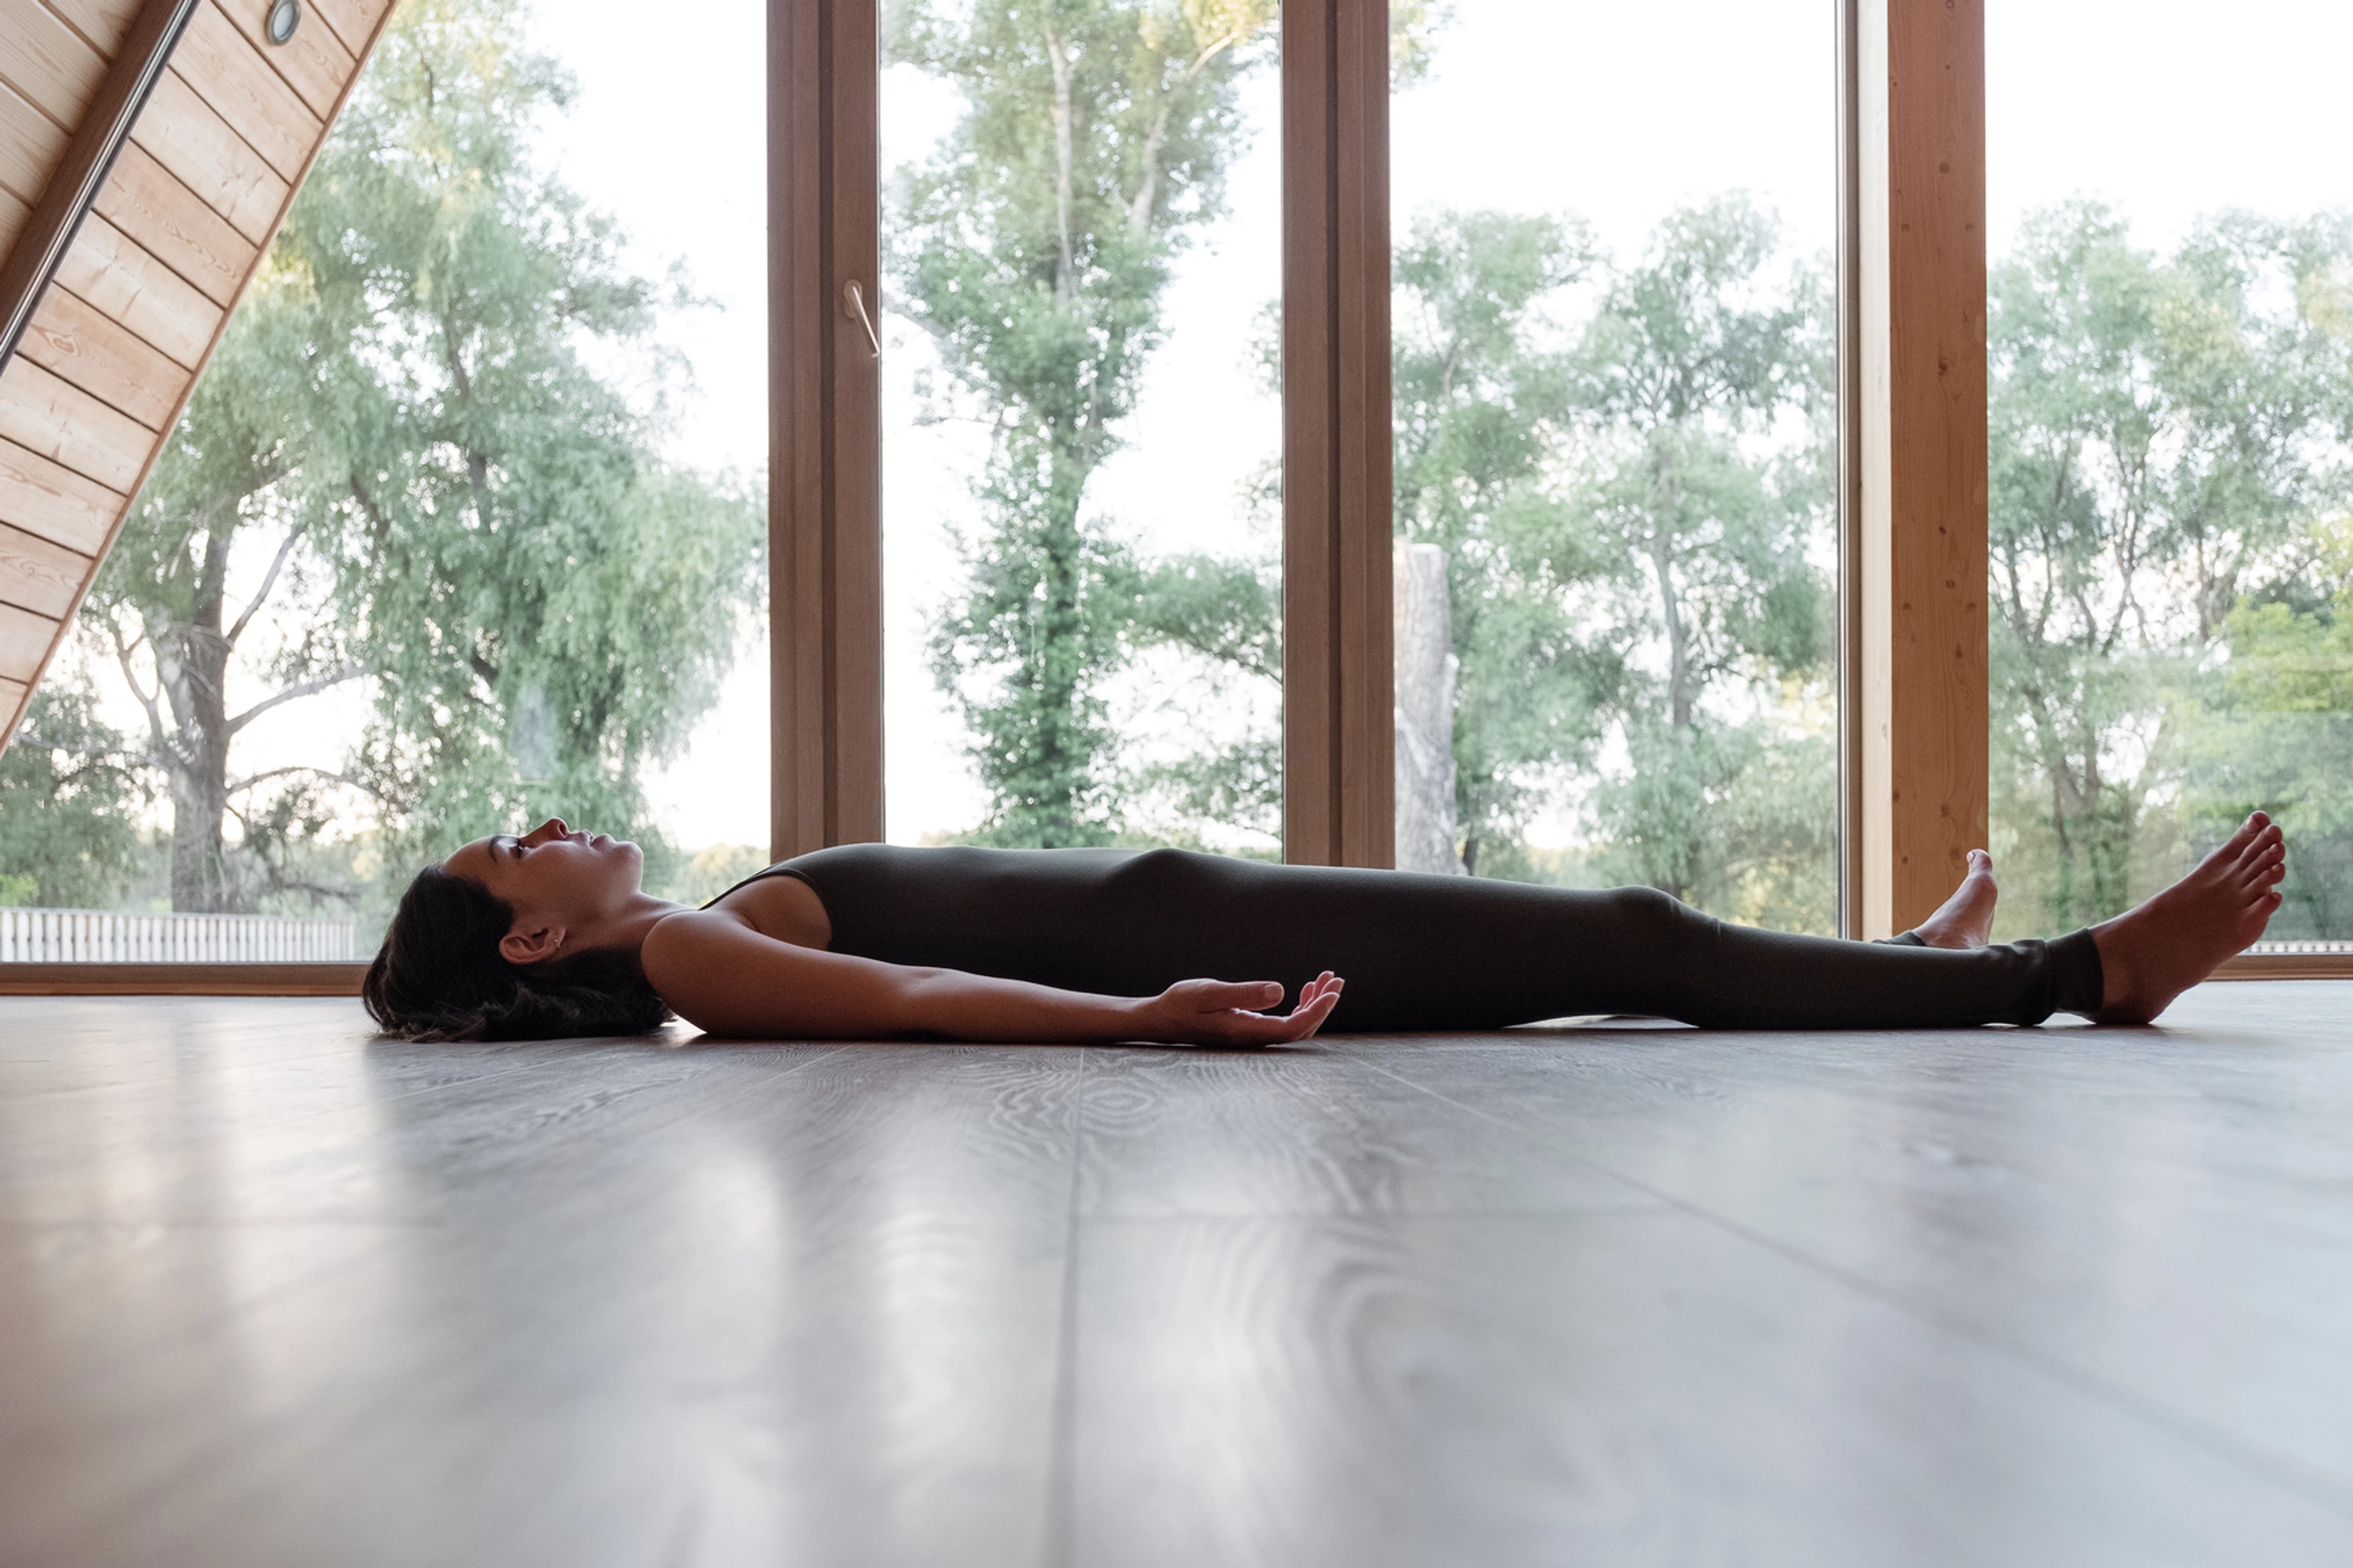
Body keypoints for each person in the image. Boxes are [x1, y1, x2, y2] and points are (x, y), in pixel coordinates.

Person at [360, 811, 2289, 1045]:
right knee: (1627, 936)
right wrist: (1144, 1020)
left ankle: (1920, 963)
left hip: (1212, 904)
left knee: (1623, 941)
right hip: (1214, 935)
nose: (551, 827)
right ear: (530, 943)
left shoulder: (693, 925)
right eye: (516, 853)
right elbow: (919, 985)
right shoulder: (683, 952)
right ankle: (2069, 974)